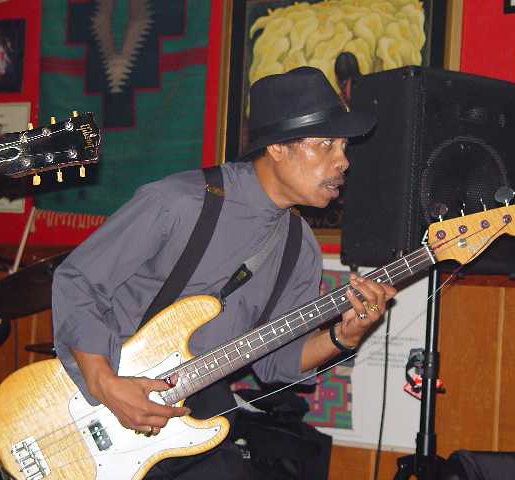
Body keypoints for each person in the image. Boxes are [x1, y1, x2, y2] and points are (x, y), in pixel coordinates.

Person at [52, 66, 396, 479]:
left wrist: (344, 337)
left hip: (191, 419)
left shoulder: (300, 247)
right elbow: (78, 282)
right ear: (278, 147)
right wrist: (105, 384)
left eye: (343, 146)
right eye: (326, 144)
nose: (343, 161)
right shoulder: (178, 202)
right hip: (94, 403)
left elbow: (277, 362)